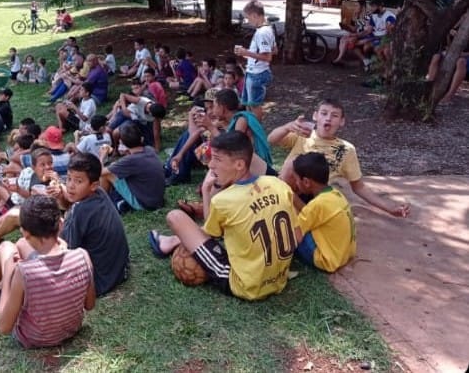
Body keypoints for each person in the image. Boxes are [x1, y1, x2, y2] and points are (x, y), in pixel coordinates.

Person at [148, 132, 300, 301]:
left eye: (217, 159)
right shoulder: (278, 184)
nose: (211, 165)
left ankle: (169, 242)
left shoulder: (224, 200)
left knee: (175, 217)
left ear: (239, 164)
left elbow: (209, 234)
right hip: (279, 278)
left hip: (247, 285)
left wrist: (206, 191)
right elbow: (296, 232)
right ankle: (173, 241)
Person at [0, 195, 95, 350]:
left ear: (25, 232)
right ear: (61, 224)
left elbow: (4, 327)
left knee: (6, 248)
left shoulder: (23, 273)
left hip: (33, 338)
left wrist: (8, 275)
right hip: (72, 330)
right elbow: (89, 305)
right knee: (20, 245)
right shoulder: (83, 256)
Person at [267, 98, 410, 217]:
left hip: (309, 195)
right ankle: (277, 201)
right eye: (324, 113)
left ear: (342, 121)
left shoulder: (346, 149)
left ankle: (293, 210)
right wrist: (287, 127)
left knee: (293, 164)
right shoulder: (303, 134)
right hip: (285, 184)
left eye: (334, 115)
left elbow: (359, 187)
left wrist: (389, 208)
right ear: (315, 116)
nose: (328, 118)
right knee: (260, 159)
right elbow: (271, 140)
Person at [59, 153, 130, 295]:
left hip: (98, 281)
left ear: (93, 185)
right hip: (120, 270)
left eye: (78, 181)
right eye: (69, 178)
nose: (71, 186)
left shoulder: (80, 210)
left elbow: (68, 252)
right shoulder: (99, 192)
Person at [292, 153, 356, 273]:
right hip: (344, 254)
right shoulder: (336, 194)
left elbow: (295, 237)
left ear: (306, 182)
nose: (295, 183)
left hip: (327, 261)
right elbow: (310, 212)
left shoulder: (317, 205)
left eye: (296, 179)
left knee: (290, 231)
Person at [99, 122, 165, 213]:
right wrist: (126, 152)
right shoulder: (149, 149)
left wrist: (102, 156)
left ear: (121, 142)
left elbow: (99, 172)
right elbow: (134, 164)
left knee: (106, 174)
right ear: (141, 139)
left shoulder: (130, 160)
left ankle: (101, 203)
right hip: (156, 200)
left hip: (144, 204)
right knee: (113, 166)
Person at [235, 0, 274, 121]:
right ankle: (249, 126)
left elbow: (268, 57)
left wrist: (246, 53)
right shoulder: (267, 29)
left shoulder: (262, 32)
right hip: (252, 71)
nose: (248, 21)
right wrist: (248, 54)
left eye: (248, 18)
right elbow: (274, 49)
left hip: (257, 73)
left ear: (254, 15)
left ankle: (257, 129)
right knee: (248, 103)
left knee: (254, 105)